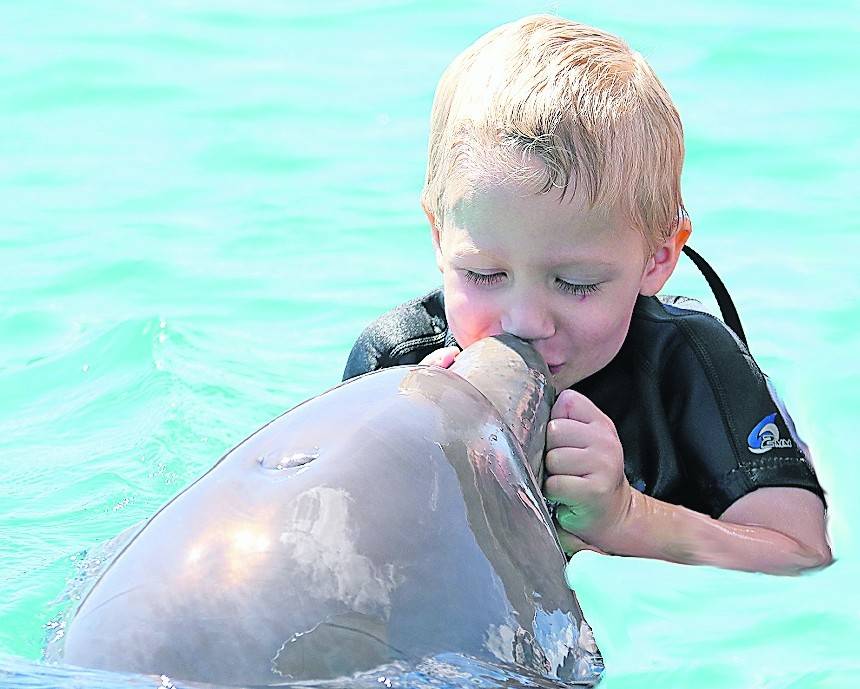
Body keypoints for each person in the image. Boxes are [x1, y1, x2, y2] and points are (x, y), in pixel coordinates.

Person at [342, 15, 831, 574]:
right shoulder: (396, 363)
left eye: (575, 283)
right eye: (483, 274)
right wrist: (410, 457)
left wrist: (627, 518)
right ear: (438, 235)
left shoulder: (691, 364)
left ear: (658, 259)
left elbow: (799, 552)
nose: (524, 321)